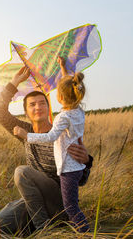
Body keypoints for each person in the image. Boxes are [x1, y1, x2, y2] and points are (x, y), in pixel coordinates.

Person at [0, 64, 93, 235]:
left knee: (22, 172)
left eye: (42, 103)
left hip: (60, 203)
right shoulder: (25, 131)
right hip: (35, 201)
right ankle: (37, 226)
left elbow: (81, 180)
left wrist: (87, 162)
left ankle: (45, 231)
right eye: (32, 105)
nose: (38, 107)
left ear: (48, 107)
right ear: (26, 112)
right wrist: (15, 81)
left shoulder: (62, 133)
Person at [14, 57, 89, 232]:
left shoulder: (63, 117)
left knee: (71, 206)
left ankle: (83, 232)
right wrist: (63, 68)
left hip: (68, 169)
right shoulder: (78, 111)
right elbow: (69, 85)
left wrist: (27, 135)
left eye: (42, 103)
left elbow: (51, 136)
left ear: (60, 97)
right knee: (71, 202)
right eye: (32, 105)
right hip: (76, 168)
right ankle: (68, 223)